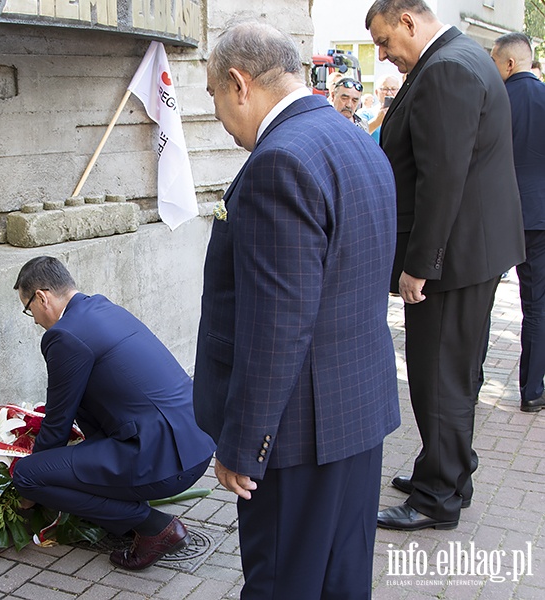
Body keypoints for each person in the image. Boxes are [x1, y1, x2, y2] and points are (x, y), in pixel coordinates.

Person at [194, 22, 400, 598]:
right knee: (341, 578)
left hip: (297, 433)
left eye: (212, 97)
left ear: (238, 83)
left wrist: (243, 445)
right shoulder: (353, 136)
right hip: (355, 411)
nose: (217, 115)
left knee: (283, 582)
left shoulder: (277, 162)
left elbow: (276, 325)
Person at [366, 0, 525, 531]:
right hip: (468, 252)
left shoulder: (448, 68)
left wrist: (420, 266)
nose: (384, 55)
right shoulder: (460, 58)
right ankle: (449, 470)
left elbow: (442, 178)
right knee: (453, 374)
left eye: (385, 41)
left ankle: (438, 497)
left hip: (452, 259)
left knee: (438, 379)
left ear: (408, 21)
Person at [10, 256, 215, 571]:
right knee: (77, 459)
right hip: (194, 444)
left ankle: (154, 527)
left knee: (27, 475)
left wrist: (30, 486)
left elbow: (57, 422)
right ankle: (122, 513)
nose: (35, 319)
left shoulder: (63, 335)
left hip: (164, 461)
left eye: (29, 309)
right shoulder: (104, 308)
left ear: (42, 297)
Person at [491, 33, 545, 413]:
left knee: (479, 304)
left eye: (494, 62)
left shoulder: (494, 101)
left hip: (496, 214)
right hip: (540, 217)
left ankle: (471, 382)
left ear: (509, 64)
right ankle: (532, 391)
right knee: (538, 304)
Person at [368, 74, 402, 142]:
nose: (389, 93)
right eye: (385, 89)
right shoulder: (366, 114)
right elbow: (358, 135)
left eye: (393, 89)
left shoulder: (405, 114)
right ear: (376, 92)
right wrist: (377, 121)